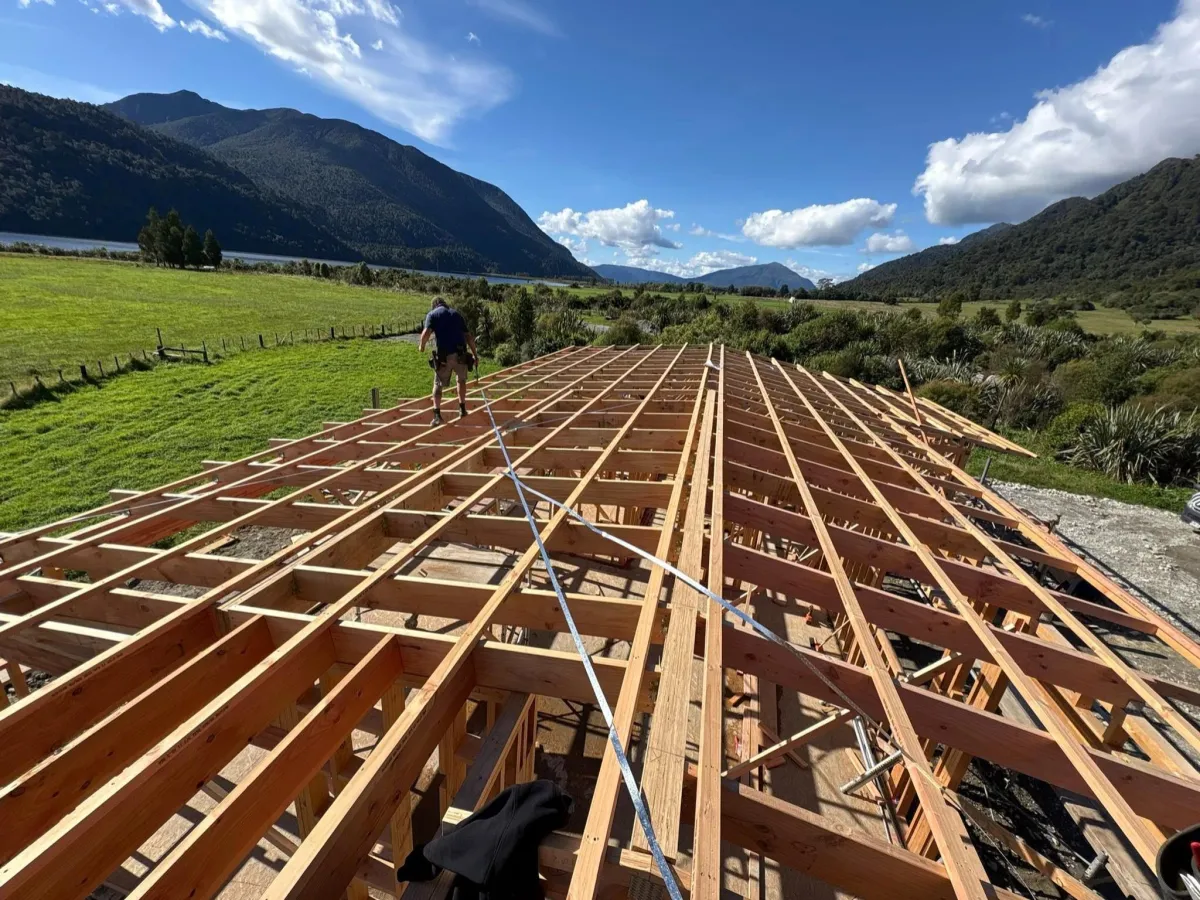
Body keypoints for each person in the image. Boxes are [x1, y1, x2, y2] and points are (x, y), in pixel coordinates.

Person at [419, 296, 478, 425]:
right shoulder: (456, 314)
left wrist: (421, 346)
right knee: (461, 380)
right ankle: (462, 409)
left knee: (438, 384)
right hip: (461, 355)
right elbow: (469, 337)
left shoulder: (432, 314)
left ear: (434, 305)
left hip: (444, 357)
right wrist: (475, 355)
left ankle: (437, 415)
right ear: (445, 304)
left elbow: (426, 333)